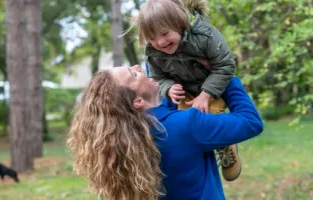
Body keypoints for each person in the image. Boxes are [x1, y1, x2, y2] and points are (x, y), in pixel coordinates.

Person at [67, 65, 263, 200]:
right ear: (138, 102)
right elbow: (251, 121)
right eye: (133, 74)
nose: (138, 67)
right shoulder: (187, 125)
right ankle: (222, 141)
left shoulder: (127, 141)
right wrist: (225, 77)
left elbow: (166, 111)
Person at [137, 0, 241, 181]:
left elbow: (225, 65)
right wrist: (168, 88)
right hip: (185, 93)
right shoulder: (152, 52)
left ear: (179, 24)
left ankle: (225, 145)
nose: (160, 42)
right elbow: (157, 78)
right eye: (152, 38)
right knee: (186, 126)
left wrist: (206, 94)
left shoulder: (205, 36)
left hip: (212, 86)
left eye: (164, 34)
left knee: (210, 117)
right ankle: (196, 159)